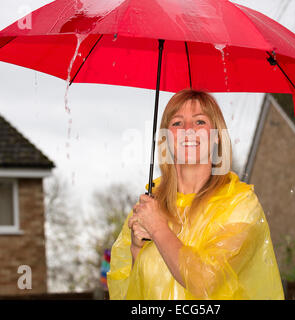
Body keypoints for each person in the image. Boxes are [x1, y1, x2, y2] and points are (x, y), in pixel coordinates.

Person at [107, 89, 284, 300]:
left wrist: (157, 228)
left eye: (200, 122)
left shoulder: (240, 204)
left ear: (217, 136)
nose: (188, 130)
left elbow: (205, 283)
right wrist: (137, 249)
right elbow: (129, 296)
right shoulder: (149, 204)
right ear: (165, 139)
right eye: (177, 123)